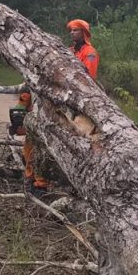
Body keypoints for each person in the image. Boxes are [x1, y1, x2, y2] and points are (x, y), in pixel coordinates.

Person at [20, 19, 101, 193]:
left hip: (76, 101)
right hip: (58, 98)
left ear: (84, 33)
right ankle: (33, 177)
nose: (72, 33)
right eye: (71, 30)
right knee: (36, 136)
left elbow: (88, 79)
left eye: (76, 30)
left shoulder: (90, 53)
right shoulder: (69, 51)